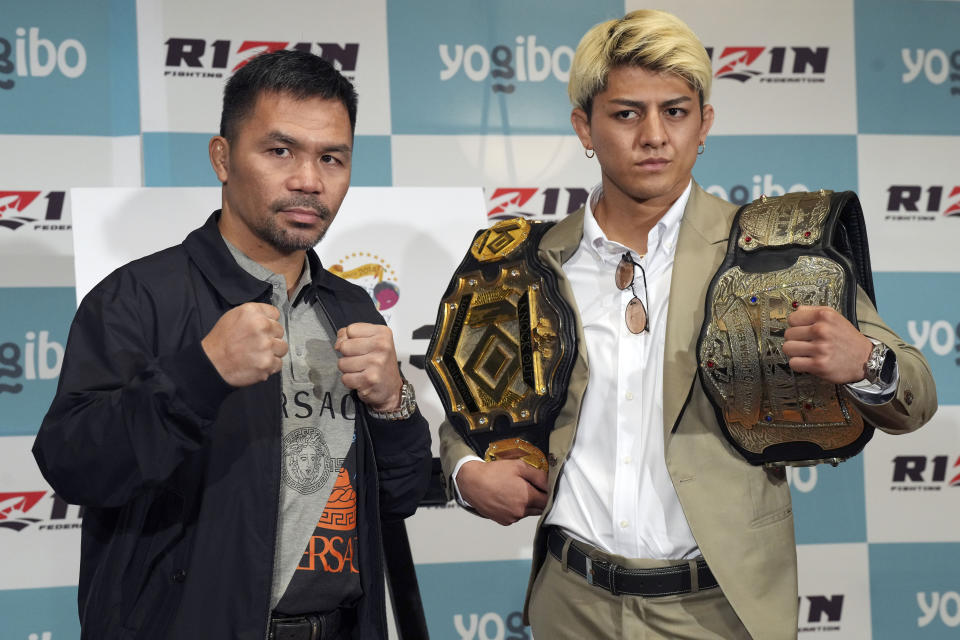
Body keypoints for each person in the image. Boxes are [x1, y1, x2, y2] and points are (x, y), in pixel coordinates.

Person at [439, 10, 937, 639]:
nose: (654, 136)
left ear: (704, 124)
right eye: (626, 114)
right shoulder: (524, 261)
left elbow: (916, 394)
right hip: (570, 604)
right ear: (583, 128)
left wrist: (865, 360)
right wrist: (464, 473)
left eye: (674, 111)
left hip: (721, 608)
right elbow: (471, 409)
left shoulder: (771, 250)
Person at [33, 50, 431, 640]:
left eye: (331, 158)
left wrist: (395, 404)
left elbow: (396, 497)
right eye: (280, 151)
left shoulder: (350, 307)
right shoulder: (137, 298)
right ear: (223, 157)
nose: (308, 180)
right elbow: (72, 467)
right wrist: (199, 373)